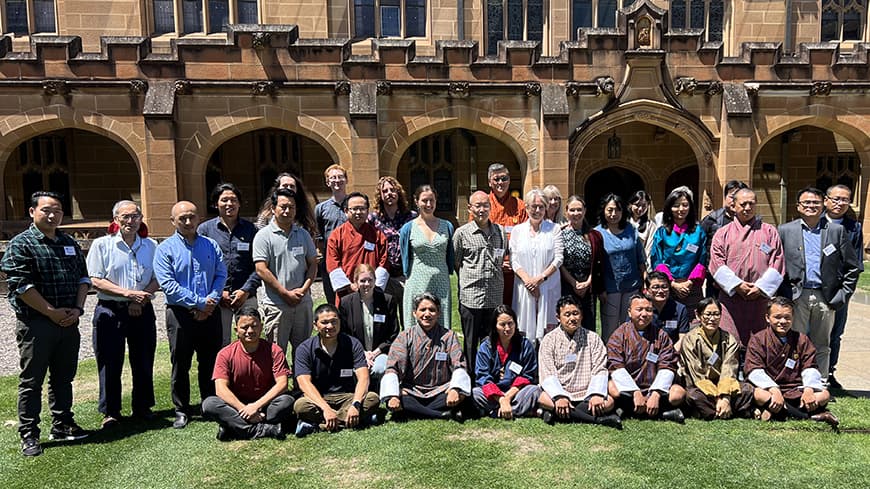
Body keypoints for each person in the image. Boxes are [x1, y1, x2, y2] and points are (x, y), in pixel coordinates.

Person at [1, 191, 91, 456]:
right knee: (32, 381)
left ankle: (62, 424)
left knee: (63, 378)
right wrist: (51, 312)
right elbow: (20, 285)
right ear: (32, 212)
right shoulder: (22, 244)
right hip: (37, 324)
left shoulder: (69, 242)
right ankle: (29, 433)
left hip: (69, 322)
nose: (52, 215)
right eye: (46, 210)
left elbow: (83, 279)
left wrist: (77, 309)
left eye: (58, 211)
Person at [154, 201, 227, 429]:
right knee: (181, 362)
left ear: (199, 218)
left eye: (192, 217)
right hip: (180, 314)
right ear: (173, 221)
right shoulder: (164, 249)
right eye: (182, 218)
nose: (188, 222)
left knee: (210, 361)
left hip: (210, 312)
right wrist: (199, 303)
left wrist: (210, 302)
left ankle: (209, 403)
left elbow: (221, 274)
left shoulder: (211, 245)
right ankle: (182, 409)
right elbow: (168, 285)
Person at [87, 200, 160, 428]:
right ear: (116, 220)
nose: (131, 221)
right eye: (125, 217)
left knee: (144, 358)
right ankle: (111, 411)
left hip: (143, 309)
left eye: (135, 216)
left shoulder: (151, 245)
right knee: (109, 361)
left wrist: (141, 296)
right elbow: (96, 280)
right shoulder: (102, 245)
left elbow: (158, 278)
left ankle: (142, 406)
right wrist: (130, 294)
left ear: (141, 218)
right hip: (111, 310)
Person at [777, 186, 859, 383]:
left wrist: (842, 295)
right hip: (796, 296)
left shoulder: (836, 231)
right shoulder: (785, 230)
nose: (811, 206)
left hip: (825, 296)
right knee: (794, 341)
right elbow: (777, 265)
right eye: (806, 203)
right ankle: (793, 380)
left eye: (815, 202)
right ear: (798, 206)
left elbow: (853, 267)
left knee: (822, 343)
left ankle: (820, 383)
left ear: (823, 205)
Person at [202, 307, 293, 440]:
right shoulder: (225, 354)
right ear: (236, 330)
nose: (250, 331)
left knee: (286, 401)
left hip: (266, 404)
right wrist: (244, 409)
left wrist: (255, 406)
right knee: (209, 404)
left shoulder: (274, 350)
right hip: (236, 405)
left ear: (261, 327)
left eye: (254, 326)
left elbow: (282, 384)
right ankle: (262, 429)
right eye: (245, 327)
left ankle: (233, 428)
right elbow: (220, 389)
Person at [745, 297, 838, 427]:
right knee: (759, 395)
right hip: (768, 389)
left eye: (787, 317)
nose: (782, 321)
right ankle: (811, 416)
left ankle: (777, 411)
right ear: (767, 318)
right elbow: (754, 370)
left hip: (794, 389)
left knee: (825, 395)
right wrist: (774, 389)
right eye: (777, 317)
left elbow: (810, 367)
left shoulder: (801, 339)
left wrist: (809, 390)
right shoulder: (758, 340)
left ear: (793, 318)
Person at [709, 188, 785, 347]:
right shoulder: (722, 233)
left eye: (751, 203)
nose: (747, 207)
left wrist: (760, 287)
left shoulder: (769, 231)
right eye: (743, 204)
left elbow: (777, 262)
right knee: (729, 343)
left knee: (761, 343)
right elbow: (717, 263)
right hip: (731, 298)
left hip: (760, 298)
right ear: (733, 206)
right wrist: (737, 285)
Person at [293, 304, 382, 437]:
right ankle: (356, 420)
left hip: (347, 396)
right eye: (324, 322)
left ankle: (318, 424)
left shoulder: (353, 343)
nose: (330, 326)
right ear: (315, 325)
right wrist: (325, 408)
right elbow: (304, 384)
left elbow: (363, 377)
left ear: (340, 322)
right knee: (300, 406)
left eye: (334, 321)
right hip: (319, 398)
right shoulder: (304, 349)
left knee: (372, 398)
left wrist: (356, 404)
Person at [380, 293, 473, 420]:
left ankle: (415, 412)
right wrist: (393, 396)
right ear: (414, 313)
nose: (427, 314)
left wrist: (455, 389)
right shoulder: (405, 337)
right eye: (422, 310)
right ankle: (441, 414)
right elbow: (393, 368)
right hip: (412, 391)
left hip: (441, 390)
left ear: (439, 313)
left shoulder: (449, 336)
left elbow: (459, 365)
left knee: (462, 395)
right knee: (399, 398)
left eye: (432, 310)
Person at [253, 188, 318, 362]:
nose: (287, 210)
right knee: (276, 351)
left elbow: (313, 264)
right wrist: (284, 293)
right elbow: (261, 269)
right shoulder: (263, 236)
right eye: (283, 206)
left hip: (302, 303)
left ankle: (300, 386)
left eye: (291, 207)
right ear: (273, 208)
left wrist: (304, 290)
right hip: (276, 304)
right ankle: (278, 387)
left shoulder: (303, 234)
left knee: (303, 351)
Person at [537, 297, 622, 428]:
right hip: (560, 391)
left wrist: (596, 394)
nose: (572, 318)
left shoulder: (593, 338)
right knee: (543, 399)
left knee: (609, 401)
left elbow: (600, 368)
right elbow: (547, 373)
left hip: (586, 393)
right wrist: (560, 396)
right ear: (558, 317)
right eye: (567, 314)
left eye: (575, 313)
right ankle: (598, 420)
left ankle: (555, 414)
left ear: (581, 315)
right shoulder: (549, 340)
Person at [198, 183, 260, 346]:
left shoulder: (251, 230)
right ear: (215, 203)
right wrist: (219, 292)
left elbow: (259, 264)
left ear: (239, 203)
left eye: (233, 200)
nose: (229, 204)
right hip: (218, 298)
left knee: (250, 338)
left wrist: (245, 290)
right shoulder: (204, 231)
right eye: (224, 200)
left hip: (246, 296)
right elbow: (201, 266)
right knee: (220, 342)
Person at [607, 294, 686, 422]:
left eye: (648, 310)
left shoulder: (661, 336)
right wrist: (635, 391)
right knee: (613, 389)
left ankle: (632, 410)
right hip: (628, 390)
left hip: (653, 386)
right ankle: (661, 413)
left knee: (678, 393)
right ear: (629, 312)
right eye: (639, 309)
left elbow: (668, 365)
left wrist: (655, 393)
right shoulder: (618, 335)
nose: (644, 314)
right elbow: (616, 367)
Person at [453, 190, 507, 378]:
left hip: (494, 296)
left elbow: (502, 255)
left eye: (485, 205)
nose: (482, 209)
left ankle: (489, 376)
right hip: (471, 297)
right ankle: (470, 378)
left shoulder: (500, 231)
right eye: (478, 205)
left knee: (492, 339)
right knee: (470, 342)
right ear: (470, 208)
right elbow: (457, 262)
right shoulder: (461, 234)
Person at [679, 298, 755, 420]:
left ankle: (713, 411)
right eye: (708, 314)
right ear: (698, 315)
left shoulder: (729, 339)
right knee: (694, 397)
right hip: (700, 386)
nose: (712, 319)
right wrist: (718, 397)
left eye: (716, 314)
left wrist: (725, 397)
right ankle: (729, 410)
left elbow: (729, 368)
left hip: (724, 384)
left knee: (748, 390)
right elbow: (697, 374)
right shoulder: (690, 339)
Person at [509, 189, 564, 341]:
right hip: (524, 287)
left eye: (541, 207)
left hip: (548, 286)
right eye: (533, 206)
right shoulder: (517, 231)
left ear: (546, 208)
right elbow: (514, 260)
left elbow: (558, 258)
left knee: (548, 331)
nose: (537, 210)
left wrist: (539, 279)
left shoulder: (554, 229)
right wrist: (528, 281)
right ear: (526, 207)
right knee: (524, 331)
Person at [824, 184, 864, 388]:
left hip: (839, 291)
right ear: (826, 200)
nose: (840, 203)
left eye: (845, 200)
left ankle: (830, 371)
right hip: (813, 289)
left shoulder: (854, 228)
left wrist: (845, 293)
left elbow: (855, 265)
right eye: (836, 198)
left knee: (835, 334)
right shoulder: (815, 222)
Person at [399, 185, 455, 329]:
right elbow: (405, 256)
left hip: (440, 279)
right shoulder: (408, 228)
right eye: (424, 200)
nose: (428, 204)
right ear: (416, 201)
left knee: (441, 321)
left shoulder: (447, 226)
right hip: (417, 279)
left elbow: (450, 255)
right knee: (417, 321)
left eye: (432, 200)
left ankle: (442, 350)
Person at [472, 305, 540, 419]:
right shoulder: (486, 347)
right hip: (493, 394)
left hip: (516, 392)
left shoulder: (525, 345)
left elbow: (528, 375)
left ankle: (495, 412)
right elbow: (483, 377)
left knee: (534, 390)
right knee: (475, 393)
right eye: (502, 325)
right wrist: (501, 399)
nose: (507, 328)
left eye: (510, 323)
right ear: (495, 326)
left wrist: (508, 397)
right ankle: (519, 410)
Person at [596, 193, 646, 341]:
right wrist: (600, 289)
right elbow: (596, 265)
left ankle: (629, 358)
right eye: (610, 210)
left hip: (632, 286)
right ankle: (610, 360)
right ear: (603, 211)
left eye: (617, 210)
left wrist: (645, 280)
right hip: (610, 289)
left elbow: (640, 258)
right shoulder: (597, 233)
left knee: (630, 326)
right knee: (610, 328)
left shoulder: (631, 230)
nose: (613, 214)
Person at [338, 264, 400, 380]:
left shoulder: (387, 301)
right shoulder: (346, 303)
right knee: (351, 370)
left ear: (375, 280)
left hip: (381, 352)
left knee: (379, 369)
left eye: (370, 280)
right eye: (362, 281)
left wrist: (375, 353)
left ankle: (380, 395)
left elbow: (393, 333)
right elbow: (344, 334)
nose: (366, 284)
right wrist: (363, 353)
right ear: (355, 281)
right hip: (355, 352)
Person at [327, 191, 389, 305]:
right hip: (347, 291)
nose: (358, 212)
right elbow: (332, 264)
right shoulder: (336, 235)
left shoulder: (378, 235)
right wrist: (349, 286)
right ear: (346, 211)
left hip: (371, 290)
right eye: (354, 209)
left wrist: (372, 286)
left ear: (368, 210)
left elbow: (384, 263)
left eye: (362, 208)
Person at [649, 187, 707, 309]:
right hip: (667, 286)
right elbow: (657, 260)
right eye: (676, 205)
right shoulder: (662, 233)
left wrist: (689, 283)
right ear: (669, 208)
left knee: (693, 322)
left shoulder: (698, 232)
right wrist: (673, 283)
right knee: (669, 322)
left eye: (685, 205)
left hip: (691, 287)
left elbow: (702, 260)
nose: (681, 209)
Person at [368, 176, 417, 318]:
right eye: (385, 191)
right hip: (383, 274)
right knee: (385, 315)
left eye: (392, 190)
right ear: (380, 195)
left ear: (398, 192)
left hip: (405, 274)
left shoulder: (411, 217)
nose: (389, 193)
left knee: (407, 315)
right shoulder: (373, 219)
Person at [559, 195, 605, 332]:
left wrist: (588, 282)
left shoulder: (594, 235)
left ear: (585, 211)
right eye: (572, 210)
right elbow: (559, 262)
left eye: (579, 210)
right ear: (566, 211)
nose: (576, 213)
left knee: (588, 324)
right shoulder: (560, 234)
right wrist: (574, 283)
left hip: (588, 288)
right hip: (568, 285)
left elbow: (597, 261)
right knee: (570, 322)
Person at [486, 163, 528, 305]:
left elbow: (526, 238)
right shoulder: (482, 205)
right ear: (489, 182)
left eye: (504, 178)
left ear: (509, 180)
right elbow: (477, 240)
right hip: (490, 272)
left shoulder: (520, 206)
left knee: (513, 311)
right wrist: (498, 262)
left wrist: (511, 261)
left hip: (515, 271)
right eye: (496, 179)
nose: (500, 183)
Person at [700, 180, 748, 298]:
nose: (734, 201)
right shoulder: (711, 220)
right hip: (715, 281)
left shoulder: (753, 223)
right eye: (731, 196)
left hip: (743, 281)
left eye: (738, 197)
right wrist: (713, 275)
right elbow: (702, 250)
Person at [315, 164, 350, 305]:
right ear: (327, 182)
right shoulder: (321, 208)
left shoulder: (354, 204)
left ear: (346, 180)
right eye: (333, 177)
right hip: (330, 259)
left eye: (340, 177)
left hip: (352, 256)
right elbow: (319, 235)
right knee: (332, 296)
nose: (337, 180)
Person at [642, 271, 691, 351]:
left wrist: (669, 355)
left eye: (664, 287)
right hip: (645, 353)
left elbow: (683, 337)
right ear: (647, 290)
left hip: (672, 354)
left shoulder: (680, 309)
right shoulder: (641, 308)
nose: (661, 291)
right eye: (656, 287)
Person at [627, 190, 658, 268]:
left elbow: (649, 250)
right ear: (630, 205)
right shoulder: (623, 223)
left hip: (641, 266)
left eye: (644, 206)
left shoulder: (651, 226)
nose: (640, 209)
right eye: (637, 205)